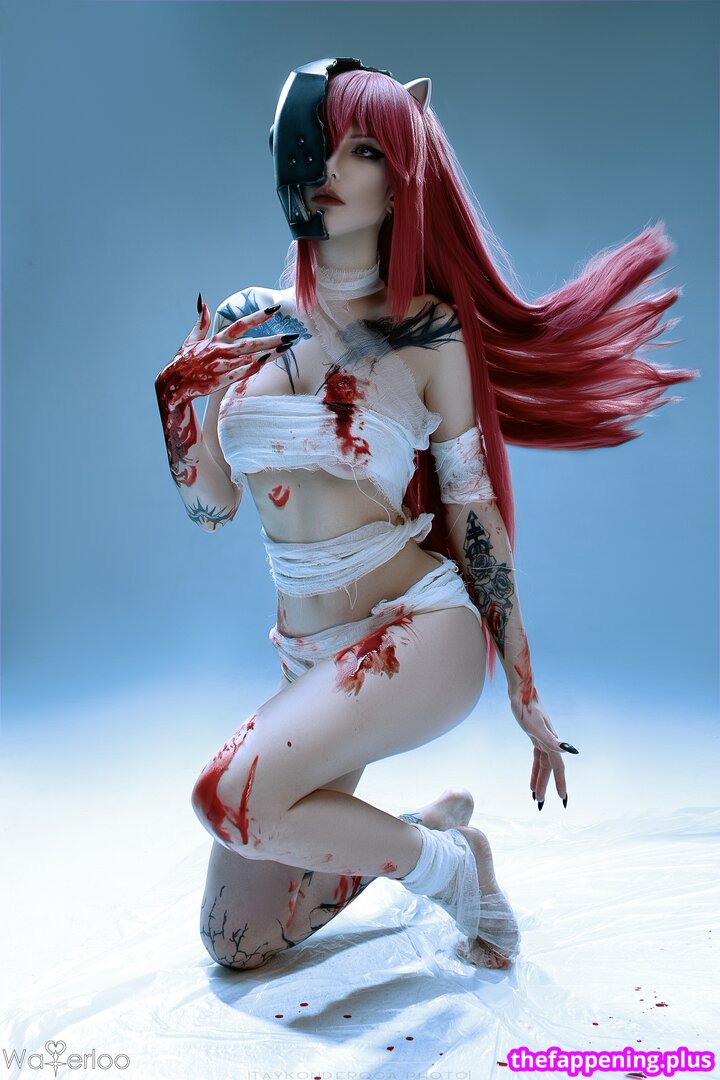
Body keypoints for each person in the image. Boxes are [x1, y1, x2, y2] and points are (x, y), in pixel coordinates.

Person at [155, 59, 696, 972]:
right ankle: (432, 834)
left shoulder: (430, 332)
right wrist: (177, 401)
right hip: (310, 660)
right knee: (237, 940)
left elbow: (474, 514)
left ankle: (449, 874)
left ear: (401, 176)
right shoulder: (249, 323)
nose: (334, 167)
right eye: (320, 144)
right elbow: (211, 508)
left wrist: (523, 688)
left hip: (414, 632)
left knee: (227, 799)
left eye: (365, 150)